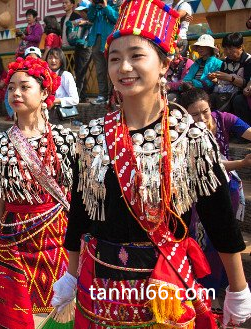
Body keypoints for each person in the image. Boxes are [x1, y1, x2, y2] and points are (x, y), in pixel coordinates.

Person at [52, 0, 251, 328]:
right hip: (101, 288)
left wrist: (238, 288)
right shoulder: (93, 138)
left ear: (164, 63)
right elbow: (80, 214)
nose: (124, 67)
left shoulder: (189, 137)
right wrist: (71, 275)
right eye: (115, 59)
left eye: (136, 56)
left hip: (166, 288)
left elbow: (220, 219)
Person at [0, 55, 75, 329]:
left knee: (59, 316)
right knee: (8, 318)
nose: (15, 93)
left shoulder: (66, 140)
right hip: (13, 241)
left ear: (44, 92)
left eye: (24, 87)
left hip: (58, 239)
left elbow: (74, 196)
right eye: (10, 88)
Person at [179, 85, 251, 300]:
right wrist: (242, 163)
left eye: (205, 111)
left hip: (225, 187)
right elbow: (210, 165)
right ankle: (198, 284)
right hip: (195, 187)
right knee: (197, 237)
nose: (201, 118)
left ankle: (217, 285)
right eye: (194, 114)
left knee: (220, 237)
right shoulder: (181, 130)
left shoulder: (224, 119)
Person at [208, 32, 251, 113]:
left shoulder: (248, 61)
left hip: (240, 93)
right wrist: (215, 79)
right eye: (225, 48)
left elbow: (247, 84)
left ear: (240, 47)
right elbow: (221, 82)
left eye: (230, 48)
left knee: (234, 99)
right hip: (226, 91)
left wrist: (229, 78)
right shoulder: (225, 62)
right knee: (211, 97)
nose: (227, 52)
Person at [87, 0, 119, 105]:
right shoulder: (95, 7)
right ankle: (102, 95)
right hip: (96, 40)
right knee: (100, 70)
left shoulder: (114, 5)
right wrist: (92, 4)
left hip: (109, 40)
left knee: (112, 69)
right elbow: (90, 17)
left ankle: (114, 95)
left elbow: (116, 18)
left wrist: (105, 6)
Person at [64, 0, 93, 102]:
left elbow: (92, 23)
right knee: (79, 71)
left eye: (83, 11)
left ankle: (78, 96)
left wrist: (85, 23)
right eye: (80, 11)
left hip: (86, 47)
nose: (81, 13)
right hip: (78, 47)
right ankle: (82, 96)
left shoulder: (92, 19)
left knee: (81, 72)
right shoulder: (80, 20)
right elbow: (70, 24)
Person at [45, 47, 79, 124]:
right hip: (46, 114)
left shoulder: (65, 75)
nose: (53, 60)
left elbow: (75, 99)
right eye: (50, 58)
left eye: (56, 58)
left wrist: (56, 101)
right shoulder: (44, 76)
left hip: (61, 116)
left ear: (61, 60)